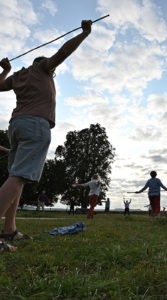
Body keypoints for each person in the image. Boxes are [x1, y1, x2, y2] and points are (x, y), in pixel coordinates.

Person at [0, 20, 92, 252]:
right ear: (43, 64)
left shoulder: (19, 76)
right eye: (52, 69)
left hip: (16, 125)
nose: (54, 71)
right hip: (35, 125)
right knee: (19, 177)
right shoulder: (42, 69)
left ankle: (9, 229)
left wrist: (5, 71)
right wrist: (84, 34)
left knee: (16, 177)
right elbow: (62, 53)